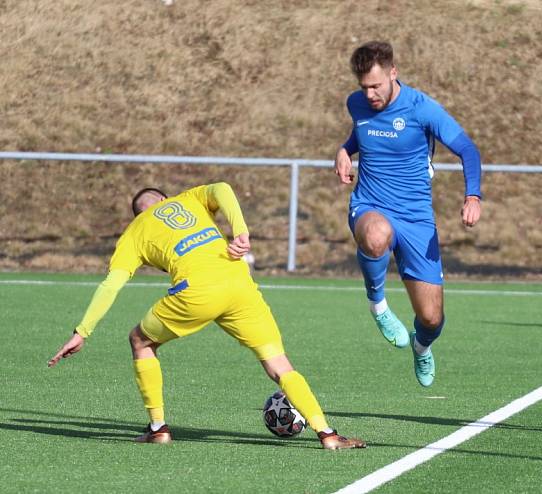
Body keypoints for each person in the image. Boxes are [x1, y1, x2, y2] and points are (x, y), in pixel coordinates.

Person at [48, 183, 366, 450]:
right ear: (163, 200)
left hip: (195, 293)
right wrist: (240, 232)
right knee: (279, 365)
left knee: (140, 340)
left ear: (139, 213)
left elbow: (112, 284)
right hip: (239, 282)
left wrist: (82, 331)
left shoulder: (134, 232)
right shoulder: (188, 199)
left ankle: (158, 428)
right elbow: (223, 188)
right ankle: (327, 434)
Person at [334, 41, 482, 387]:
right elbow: (362, 132)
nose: (370, 94)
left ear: (393, 73)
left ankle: (421, 346)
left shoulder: (422, 108)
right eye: (364, 87)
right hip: (370, 204)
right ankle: (378, 306)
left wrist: (472, 195)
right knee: (375, 236)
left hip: (416, 218)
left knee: (431, 318)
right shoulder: (356, 103)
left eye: (377, 86)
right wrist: (344, 150)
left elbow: (467, 149)